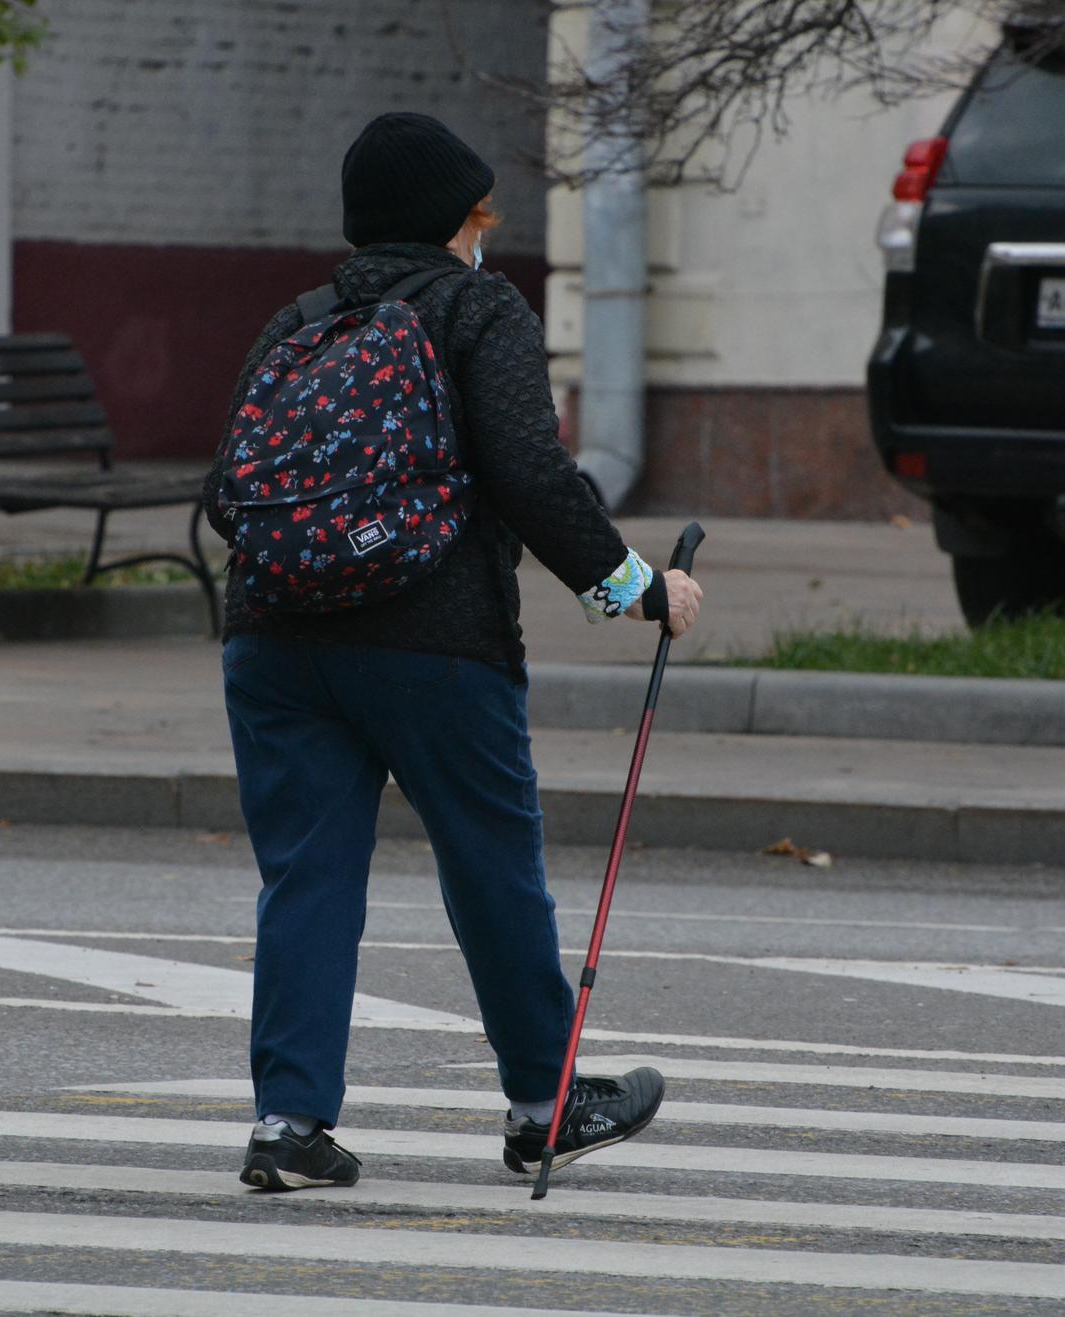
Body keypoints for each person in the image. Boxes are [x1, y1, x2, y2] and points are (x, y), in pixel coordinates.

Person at [203, 111, 703, 1191]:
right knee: (488, 862)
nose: (489, 228)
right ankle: (545, 1101)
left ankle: (287, 1126)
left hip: (273, 639)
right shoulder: (474, 309)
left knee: (305, 877)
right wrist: (638, 590)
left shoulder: (295, 321)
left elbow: (223, 490)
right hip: (432, 641)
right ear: (450, 222)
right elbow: (529, 473)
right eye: (480, 213)